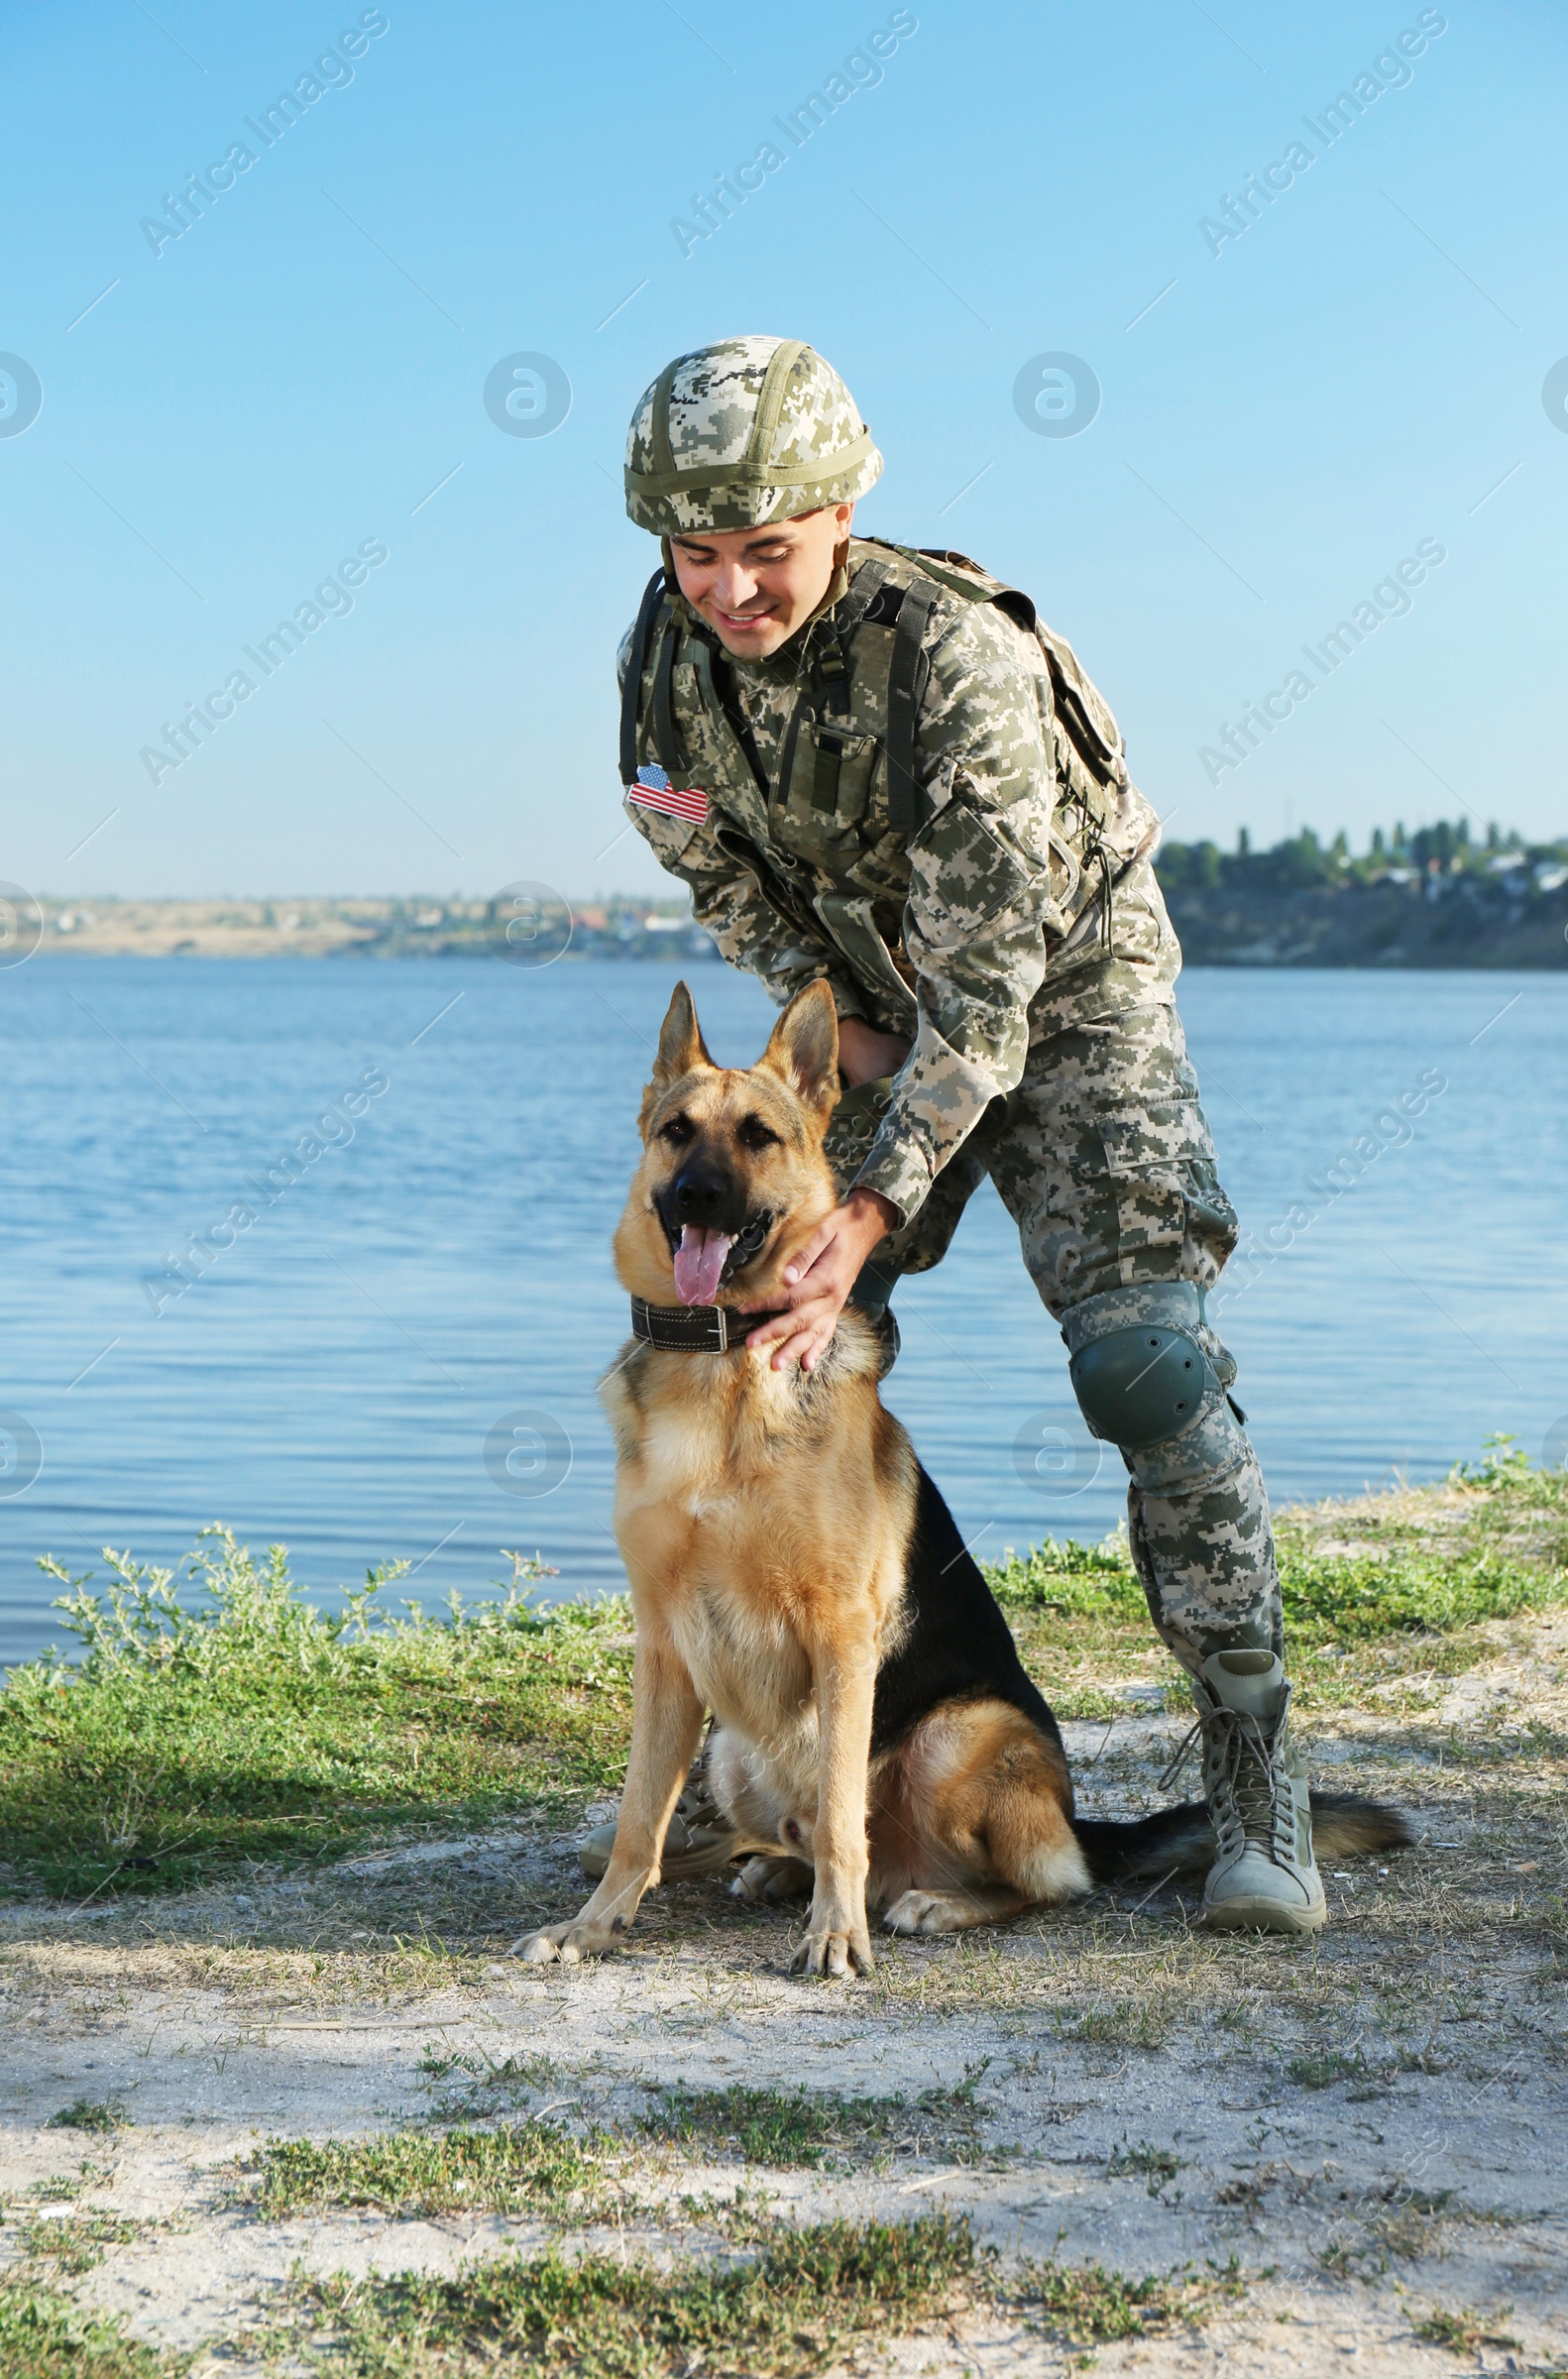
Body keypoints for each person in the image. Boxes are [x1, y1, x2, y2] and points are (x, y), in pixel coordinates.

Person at [585, 334, 1325, 1934]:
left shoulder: (953, 658)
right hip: (859, 1019)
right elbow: (705, 861)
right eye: (693, 554)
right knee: (757, 1333)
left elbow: (991, 985)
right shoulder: (665, 657)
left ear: (845, 508)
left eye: (764, 552)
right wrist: (827, 1051)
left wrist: (870, 1203)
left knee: (1143, 1363)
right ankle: (782, 1772)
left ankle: (1256, 1774)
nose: (727, 590)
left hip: (1061, 1011)